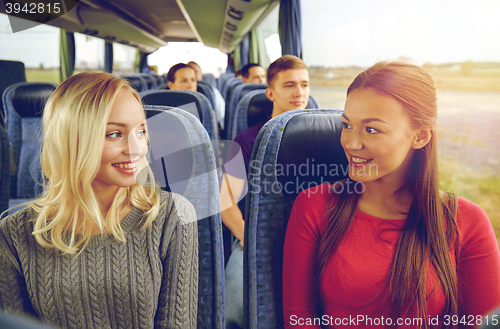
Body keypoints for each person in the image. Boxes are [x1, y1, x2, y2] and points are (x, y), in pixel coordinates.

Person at [282, 61, 500, 328]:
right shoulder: (313, 205)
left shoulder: (467, 222)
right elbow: (298, 317)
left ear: (419, 137)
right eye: (347, 125)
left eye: (371, 129)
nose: (350, 143)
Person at [0, 73, 199, 328]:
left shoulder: (173, 215)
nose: (136, 148)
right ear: (71, 141)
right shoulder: (14, 234)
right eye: (114, 134)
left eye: (140, 131)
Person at [221, 55, 310, 329]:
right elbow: (225, 201)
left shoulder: (322, 134)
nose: (299, 92)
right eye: (290, 85)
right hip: (255, 235)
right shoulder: (246, 140)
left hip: (313, 237)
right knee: (234, 308)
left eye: (305, 85)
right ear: (270, 92)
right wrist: (247, 235)